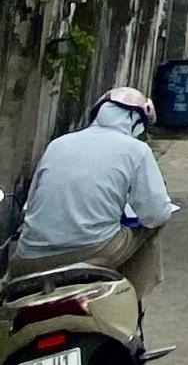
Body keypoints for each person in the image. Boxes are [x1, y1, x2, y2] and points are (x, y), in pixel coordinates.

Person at [6, 88, 178, 304]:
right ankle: (129, 303)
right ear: (136, 120)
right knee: (152, 227)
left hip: (28, 258)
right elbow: (156, 214)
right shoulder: (136, 150)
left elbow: (29, 207)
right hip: (91, 252)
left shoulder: (58, 145)